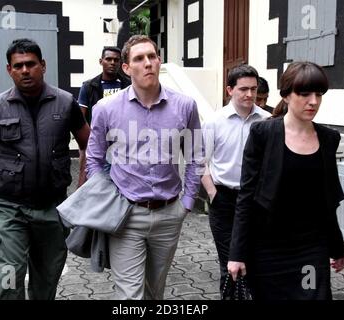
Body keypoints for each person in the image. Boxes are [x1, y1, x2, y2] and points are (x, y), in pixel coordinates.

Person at [0, 38, 90, 300]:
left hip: (53, 207)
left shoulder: (65, 103)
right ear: (9, 70)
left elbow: (89, 147)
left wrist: (82, 190)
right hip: (9, 206)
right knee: (9, 274)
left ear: (43, 66)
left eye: (31, 64)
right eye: (18, 66)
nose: (25, 70)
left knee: (47, 278)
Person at [86, 35, 205, 300]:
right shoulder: (106, 109)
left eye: (152, 56)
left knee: (155, 292)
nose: (148, 63)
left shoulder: (185, 106)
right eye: (139, 58)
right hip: (125, 214)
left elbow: (197, 155)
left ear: (159, 61)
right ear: (126, 68)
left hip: (168, 213)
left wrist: (186, 202)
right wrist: (106, 200)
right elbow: (94, 159)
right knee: (131, 296)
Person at [227, 61, 344, 300]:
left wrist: (337, 247)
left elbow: (328, 200)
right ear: (287, 95)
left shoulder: (328, 139)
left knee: (312, 295)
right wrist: (237, 253)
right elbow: (247, 197)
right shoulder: (263, 134)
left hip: (311, 249)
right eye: (304, 94)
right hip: (269, 249)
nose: (313, 101)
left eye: (319, 94)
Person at [201, 64, 270, 296]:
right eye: (243, 89)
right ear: (230, 90)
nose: (250, 94)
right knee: (230, 264)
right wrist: (213, 194)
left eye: (253, 88)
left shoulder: (268, 121)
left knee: (256, 262)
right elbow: (201, 162)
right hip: (225, 201)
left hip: (258, 201)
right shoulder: (214, 121)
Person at [78, 46, 131, 124]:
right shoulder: (89, 86)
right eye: (108, 59)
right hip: (98, 133)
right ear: (101, 61)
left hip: (122, 133)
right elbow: (80, 119)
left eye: (116, 60)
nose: (112, 63)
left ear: (120, 63)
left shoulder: (129, 85)